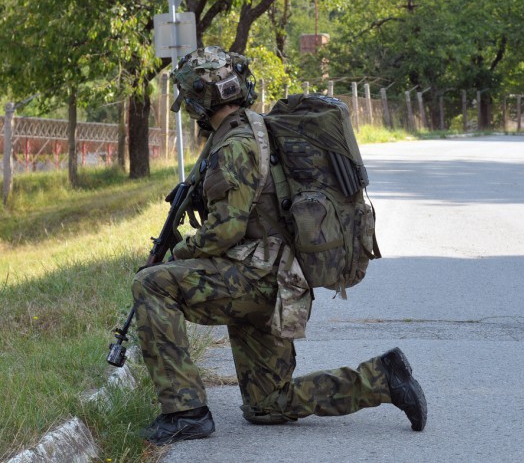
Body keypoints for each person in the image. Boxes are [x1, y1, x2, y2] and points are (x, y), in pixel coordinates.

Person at [132, 46, 426, 446]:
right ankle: (382, 379)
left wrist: (175, 255)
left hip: (257, 280)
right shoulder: (253, 127)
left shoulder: (233, 145)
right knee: (268, 403)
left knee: (153, 284)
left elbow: (223, 232)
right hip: (276, 279)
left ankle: (185, 412)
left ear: (200, 100)